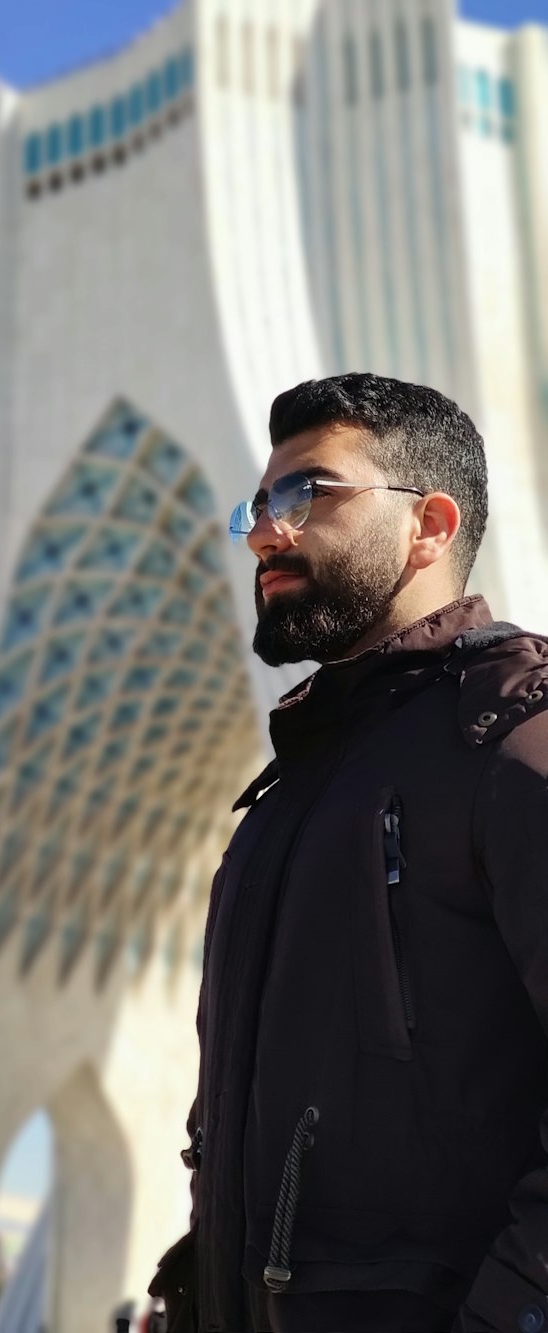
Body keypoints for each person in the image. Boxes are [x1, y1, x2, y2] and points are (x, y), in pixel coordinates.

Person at [150, 374, 548, 1333]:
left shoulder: (512, 736)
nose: (261, 533)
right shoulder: (284, 800)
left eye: (306, 495)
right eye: (256, 504)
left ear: (429, 524)